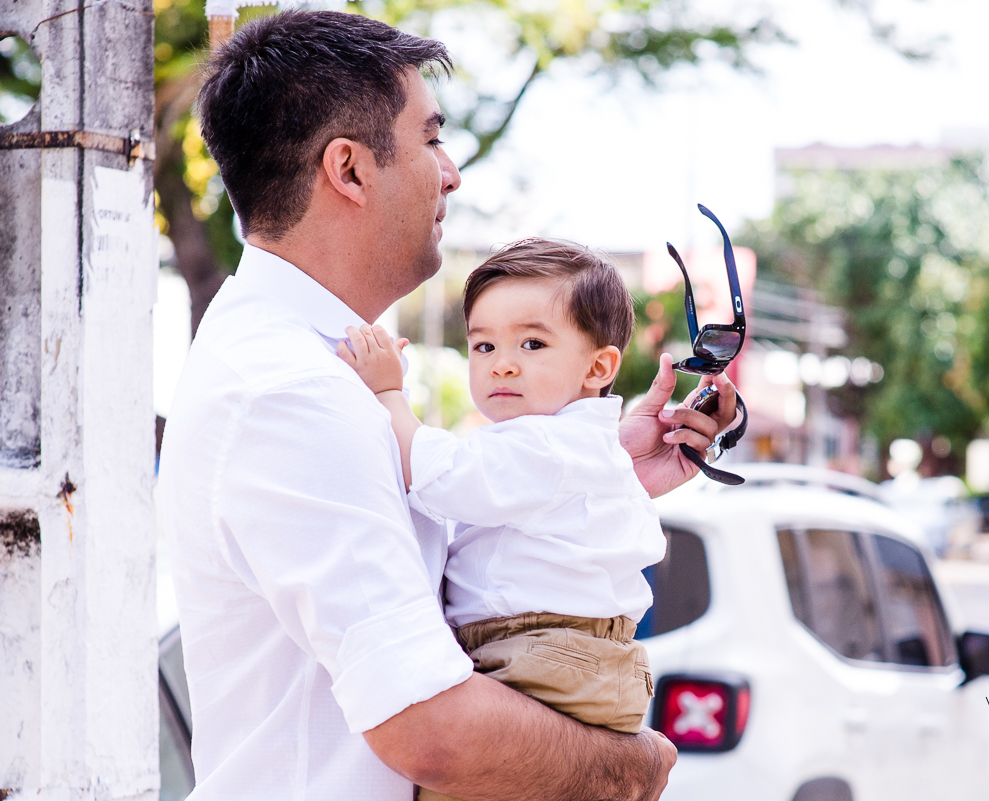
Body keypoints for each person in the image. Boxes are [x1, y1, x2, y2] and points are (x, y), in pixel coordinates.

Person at [157, 9, 737, 801]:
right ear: (349, 170)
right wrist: (636, 769)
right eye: (431, 138)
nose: (453, 170)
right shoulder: (291, 393)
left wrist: (597, 464)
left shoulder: (313, 365)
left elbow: (445, 547)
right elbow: (428, 727)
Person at [337, 239, 671, 801]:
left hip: (539, 655)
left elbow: (437, 474)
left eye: (532, 343)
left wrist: (388, 392)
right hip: (575, 657)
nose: (503, 362)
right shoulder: (583, 448)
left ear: (599, 366)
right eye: (484, 345)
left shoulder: (544, 444)